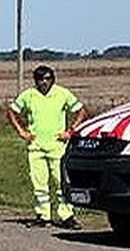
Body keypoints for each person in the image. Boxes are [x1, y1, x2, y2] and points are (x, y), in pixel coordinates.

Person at [7, 64, 87, 228]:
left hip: (57, 146)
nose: (44, 82)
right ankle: (43, 215)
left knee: (60, 182)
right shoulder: (29, 95)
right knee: (39, 184)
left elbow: (81, 111)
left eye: (48, 79)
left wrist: (70, 131)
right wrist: (22, 132)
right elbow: (11, 111)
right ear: (36, 80)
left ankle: (66, 216)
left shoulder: (62, 93)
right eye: (41, 79)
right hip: (36, 146)